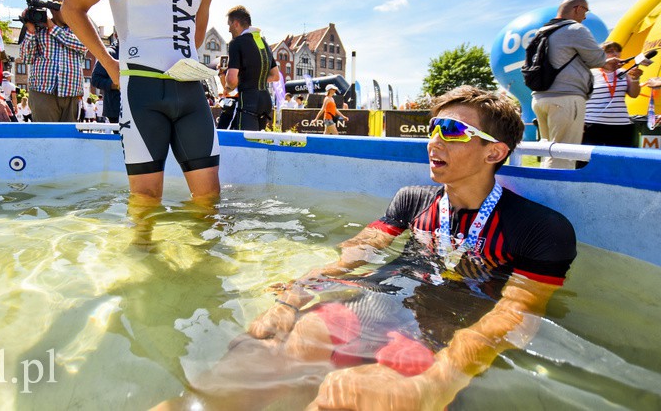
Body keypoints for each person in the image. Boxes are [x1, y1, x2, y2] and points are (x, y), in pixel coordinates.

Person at [153, 86, 577, 411]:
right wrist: (292, 298)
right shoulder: (413, 200)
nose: (434, 140)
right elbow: (355, 254)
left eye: (452, 131)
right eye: (433, 128)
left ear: (494, 151)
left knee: (346, 395)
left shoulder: (540, 229)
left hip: (434, 336)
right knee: (257, 355)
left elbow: (514, 317)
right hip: (370, 307)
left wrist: (441, 378)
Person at [64, 0, 220, 203]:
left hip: (191, 95)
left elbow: (197, 36)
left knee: (209, 198)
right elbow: (72, 9)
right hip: (141, 94)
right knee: (146, 203)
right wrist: (109, 63)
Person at [531, 0, 606, 168]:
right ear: (577, 8)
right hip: (566, 99)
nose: (585, 17)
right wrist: (603, 54)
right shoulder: (575, 29)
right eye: (585, 11)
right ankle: (554, 195)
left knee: (547, 152)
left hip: (540, 98)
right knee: (563, 157)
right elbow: (597, 59)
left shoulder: (541, 32)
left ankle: (541, 192)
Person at [18, 0, 88, 122]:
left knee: (69, 138)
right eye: (67, 9)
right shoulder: (39, 30)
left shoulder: (79, 28)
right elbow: (26, 58)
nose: (71, 12)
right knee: (45, 137)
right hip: (42, 91)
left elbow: (84, 46)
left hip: (71, 92)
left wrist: (52, 27)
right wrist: (30, 30)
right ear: (53, 10)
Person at [222, 5, 280, 130]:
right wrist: (254, 78)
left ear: (236, 24)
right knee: (257, 143)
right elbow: (275, 76)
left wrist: (227, 87)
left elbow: (231, 80)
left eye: (229, 25)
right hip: (265, 101)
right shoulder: (263, 42)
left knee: (244, 144)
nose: (229, 30)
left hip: (248, 101)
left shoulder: (236, 43)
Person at [582, 41, 642, 148]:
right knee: (590, 161)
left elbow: (634, 94)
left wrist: (635, 79)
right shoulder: (590, 73)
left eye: (618, 51)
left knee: (620, 161)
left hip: (621, 124)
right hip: (593, 124)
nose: (615, 54)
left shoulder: (624, 72)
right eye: (610, 51)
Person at [90, 40, 121, 124]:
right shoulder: (110, 53)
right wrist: (114, 84)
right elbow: (95, 79)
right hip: (116, 109)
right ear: (115, 35)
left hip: (140, 107)